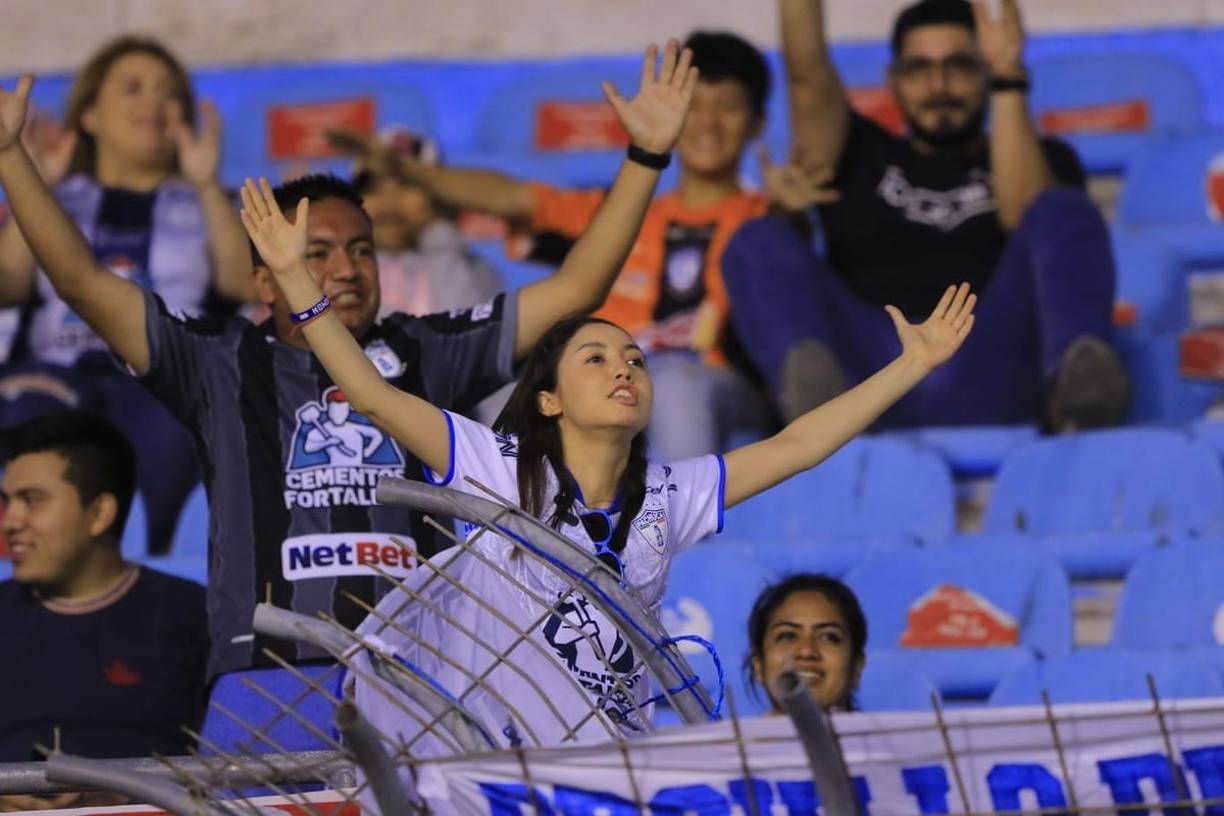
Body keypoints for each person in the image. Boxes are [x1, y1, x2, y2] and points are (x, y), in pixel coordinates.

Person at [240, 39, 977, 743]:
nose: (626, 367)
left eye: (634, 358)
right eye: (596, 358)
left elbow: (801, 444)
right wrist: (299, 284)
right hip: (503, 767)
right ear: (550, 398)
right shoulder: (492, 466)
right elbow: (370, 393)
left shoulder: (669, 495)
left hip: (619, 768)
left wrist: (910, 364)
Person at [0, 55, 675, 688]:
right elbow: (85, 285)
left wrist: (646, 156)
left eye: (361, 249)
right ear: (265, 279)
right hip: (264, 677)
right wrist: (10, 158)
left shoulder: (427, 350)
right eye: (315, 253)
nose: (347, 270)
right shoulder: (214, 362)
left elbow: (580, 285)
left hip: (421, 683)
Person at [339, 31, 792, 461]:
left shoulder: (767, 219)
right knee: (527, 379)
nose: (709, 123)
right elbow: (511, 198)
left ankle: (681, 535)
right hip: (605, 381)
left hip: (711, 389)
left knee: (673, 385)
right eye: (696, 104)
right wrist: (408, 171)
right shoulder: (621, 214)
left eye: (728, 106)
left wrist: (790, 218)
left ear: (758, 123)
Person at [723, 0, 1127, 430]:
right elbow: (806, 75)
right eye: (919, 69)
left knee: (1062, 207)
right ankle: (817, 415)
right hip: (868, 378)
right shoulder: (856, 153)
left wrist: (1008, 78)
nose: (939, 84)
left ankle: (1083, 401)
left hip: (991, 363)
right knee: (757, 240)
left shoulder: (1044, 157)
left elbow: (1022, 213)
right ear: (893, 80)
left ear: (986, 71)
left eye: (960, 66)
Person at [0, 36, 254, 554]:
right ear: (89, 115)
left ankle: (154, 569)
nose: (153, 104)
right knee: (26, 408)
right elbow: (7, 283)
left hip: (161, 377)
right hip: (55, 377)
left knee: (176, 419)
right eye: (133, 88)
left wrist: (207, 186)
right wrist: (34, 189)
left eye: (168, 92)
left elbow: (242, 285)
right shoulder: (53, 196)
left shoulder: (212, 202)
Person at [0, 411, 208, 766]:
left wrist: (114, 795)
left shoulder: (195, 616)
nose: (10, 522)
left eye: (32, 499)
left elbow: (229, 767)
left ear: (99, 514)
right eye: (7, 502)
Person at [349, 128, 502, 318]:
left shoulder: (474, 272)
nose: (389, 201)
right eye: (373, 188)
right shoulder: (331, 271)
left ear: (437, 197)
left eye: (407, 185)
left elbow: (462, 336)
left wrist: (442, 235)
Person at [745, 573, 867, 712]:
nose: (806, 651)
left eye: (828, 637)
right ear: (758, 665)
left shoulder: (892, 735)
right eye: (787, 636)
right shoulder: (726, 734)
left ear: (857, 667)